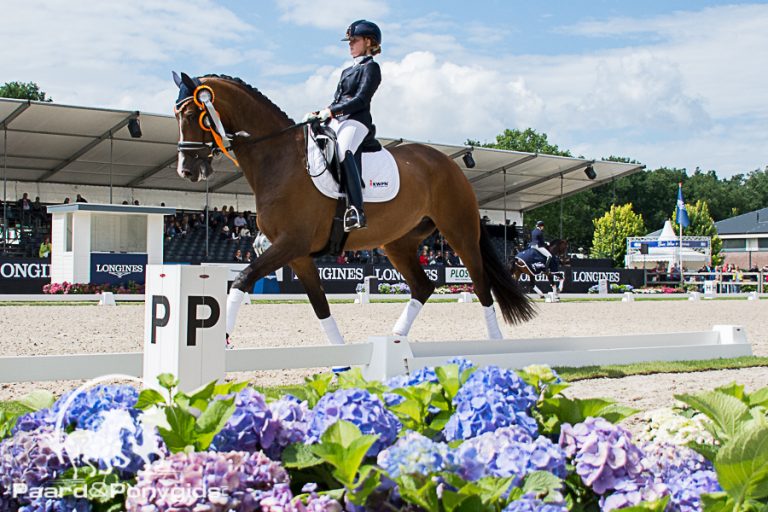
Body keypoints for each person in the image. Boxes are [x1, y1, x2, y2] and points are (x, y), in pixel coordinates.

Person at [304, 19, 382, 232]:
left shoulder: (372, 68)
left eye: (354, 40)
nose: (350, 45)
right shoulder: (346, 71)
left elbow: (361, 100)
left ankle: (357, 210)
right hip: (339, 119)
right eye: (349, 41)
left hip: (358, 121)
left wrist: (332, 111)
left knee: (343, 149)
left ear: (368, 42)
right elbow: (338, 99)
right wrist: (322, 112)